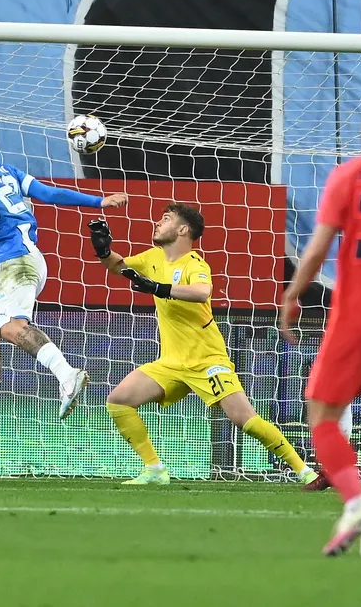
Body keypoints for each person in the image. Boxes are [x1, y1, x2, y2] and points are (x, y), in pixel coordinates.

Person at [88, 205, 321, 489]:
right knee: (119, 400)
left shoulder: (195, 264)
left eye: (166, 219)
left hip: (207, 360)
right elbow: (118, 267)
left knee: (244, 419)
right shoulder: (152, 257)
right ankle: (154, 469)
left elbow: (202, 292)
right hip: (171, 362)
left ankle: (305, 471)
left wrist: (158, 288)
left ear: (183, 229)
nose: (158, 222)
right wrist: (103, 250)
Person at [0, 120, 128, 452]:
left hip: (13, 261)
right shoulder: (3, 169)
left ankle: (67, 375)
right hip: (23, 259)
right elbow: (47, 193)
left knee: (12, 327)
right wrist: (99, 201)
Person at [281, 94, 361, 557]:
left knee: (322, 415)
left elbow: (319, 246)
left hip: (357, 314)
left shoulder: (350, 175)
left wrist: (293, 294)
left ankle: (356, 502)